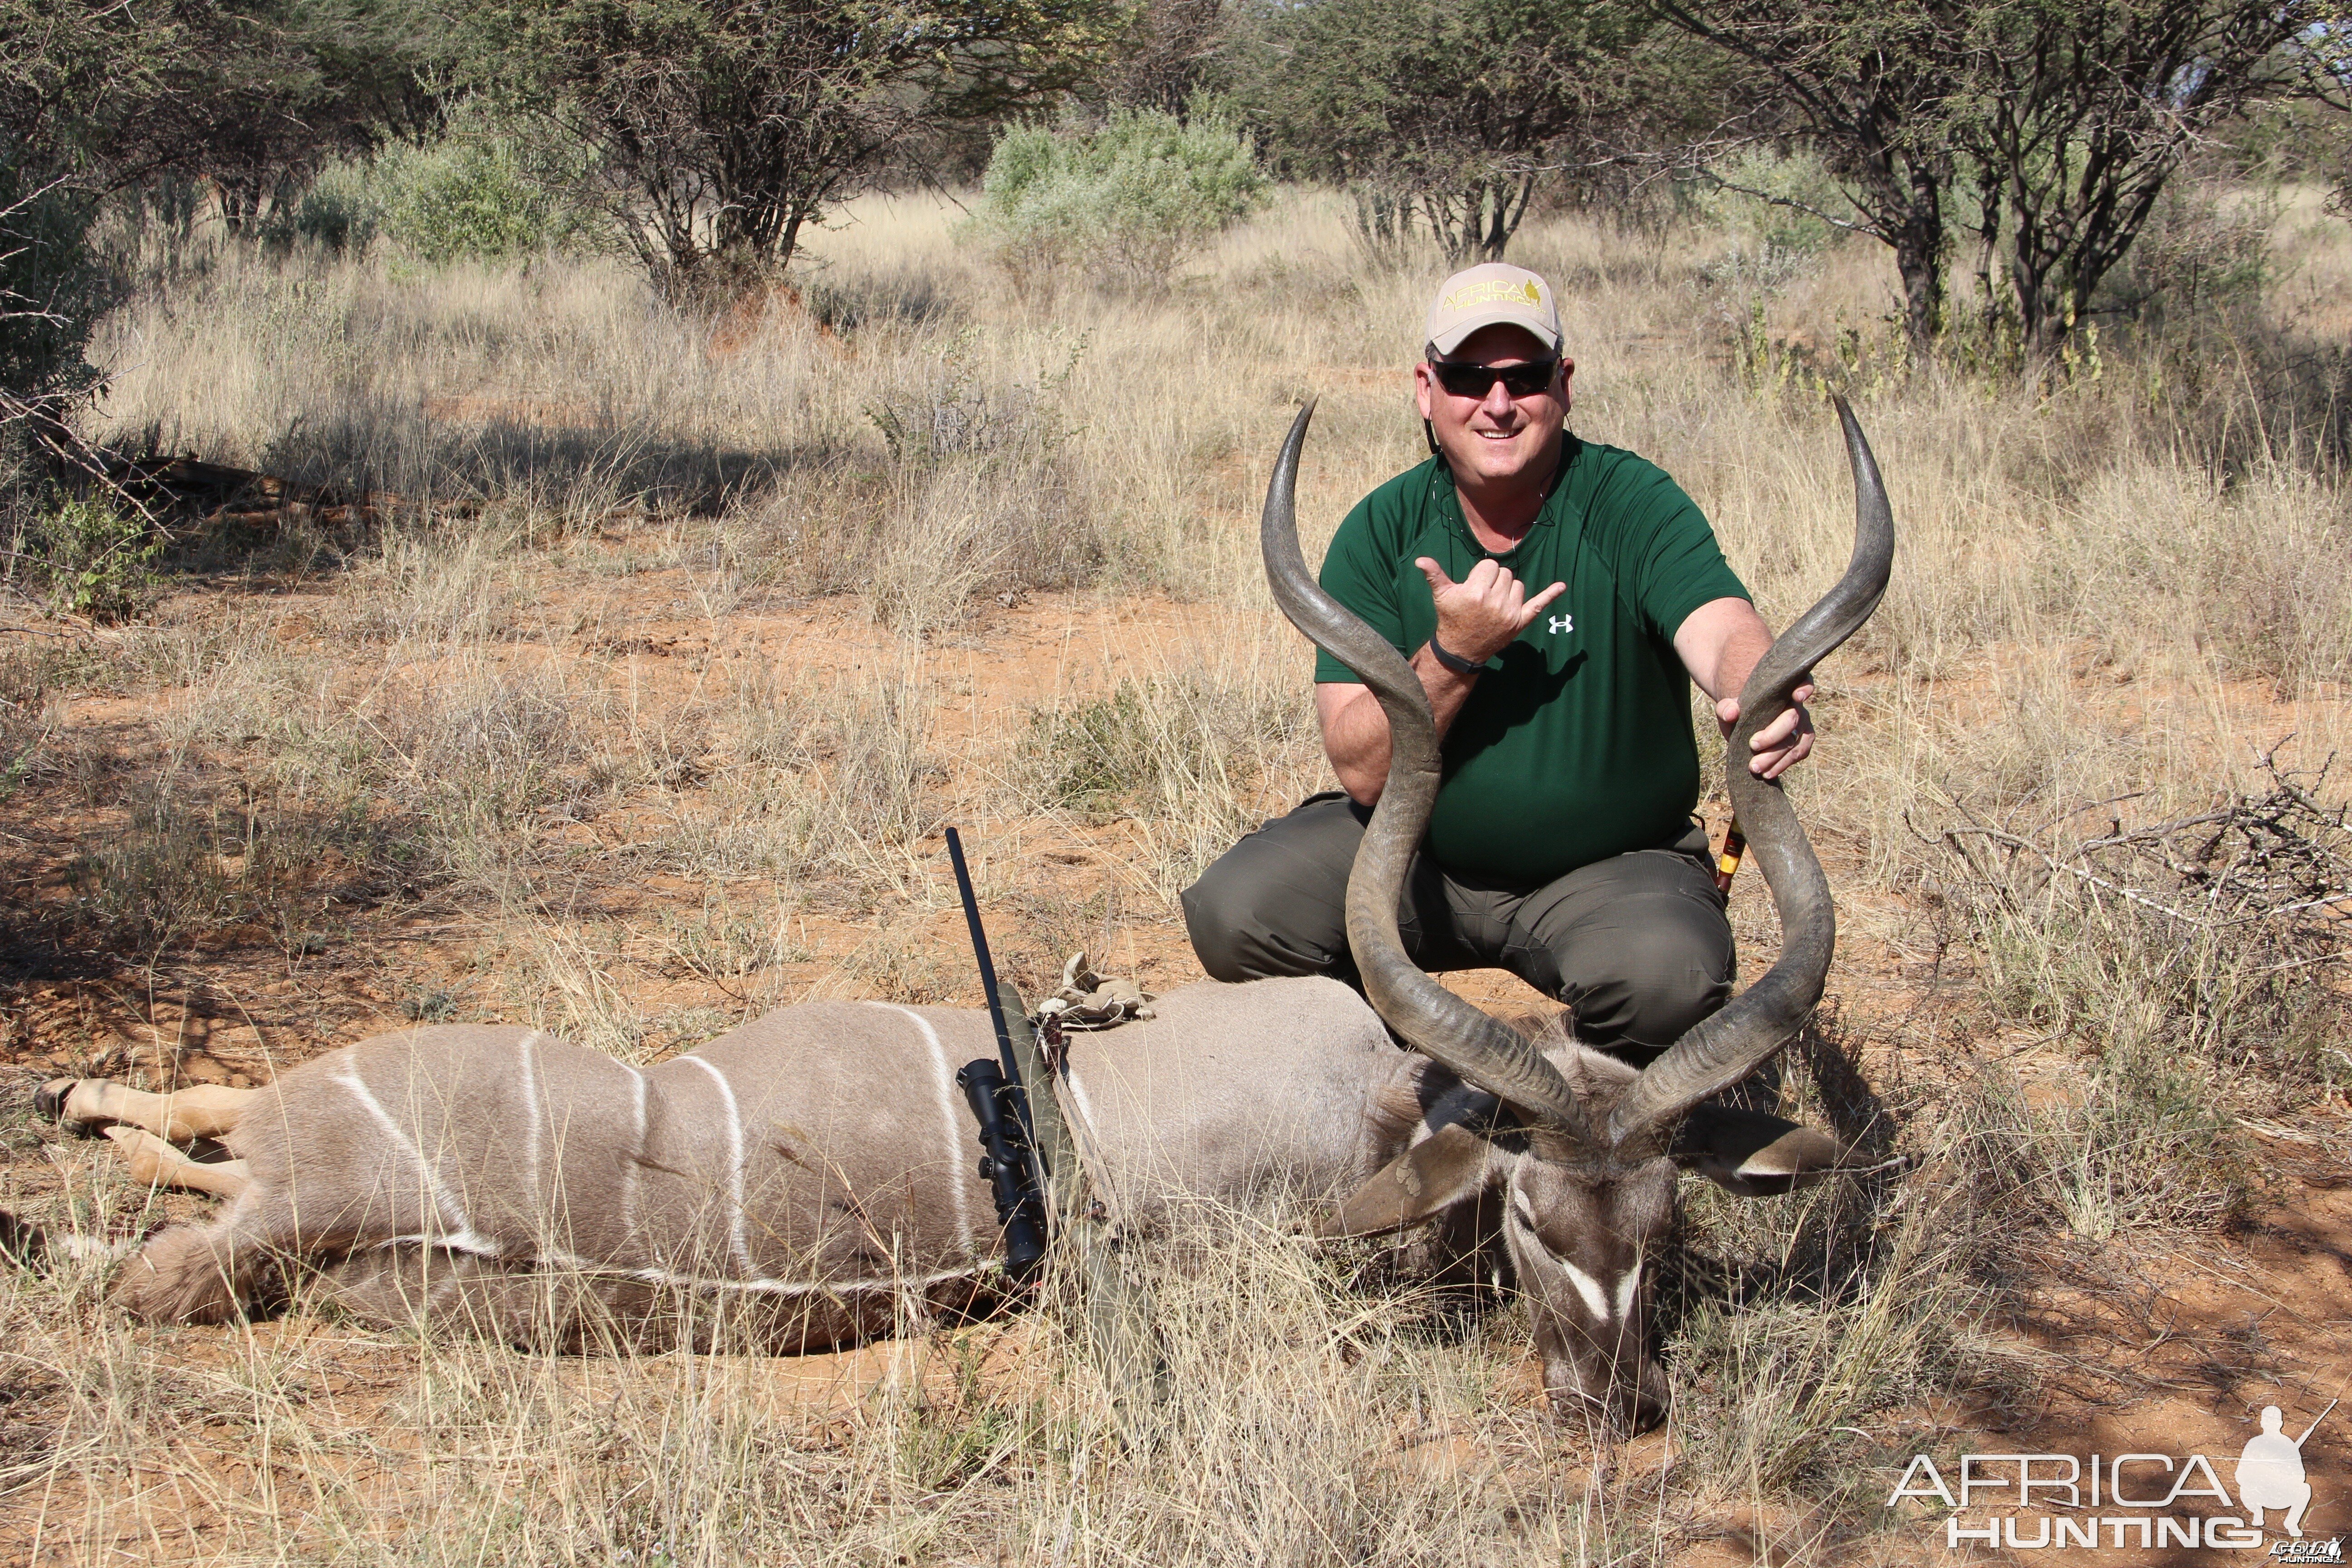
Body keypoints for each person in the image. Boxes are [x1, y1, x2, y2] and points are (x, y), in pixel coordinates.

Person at [1182, 262, 1813, 1064]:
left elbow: (1724, 631)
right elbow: (1364, 771)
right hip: (1416, 860)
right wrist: (1454, 656)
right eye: (1469, 377)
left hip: (1607, 872)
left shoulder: (1631, 502)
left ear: (1566, 382)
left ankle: (1586, 1117)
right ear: (1427, 388)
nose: (1500, 403)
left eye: (1526, 376)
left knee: (1669, 980)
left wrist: (1759, 689)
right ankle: (1407, 1080)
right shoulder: (1382, 529)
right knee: (1237, 916)